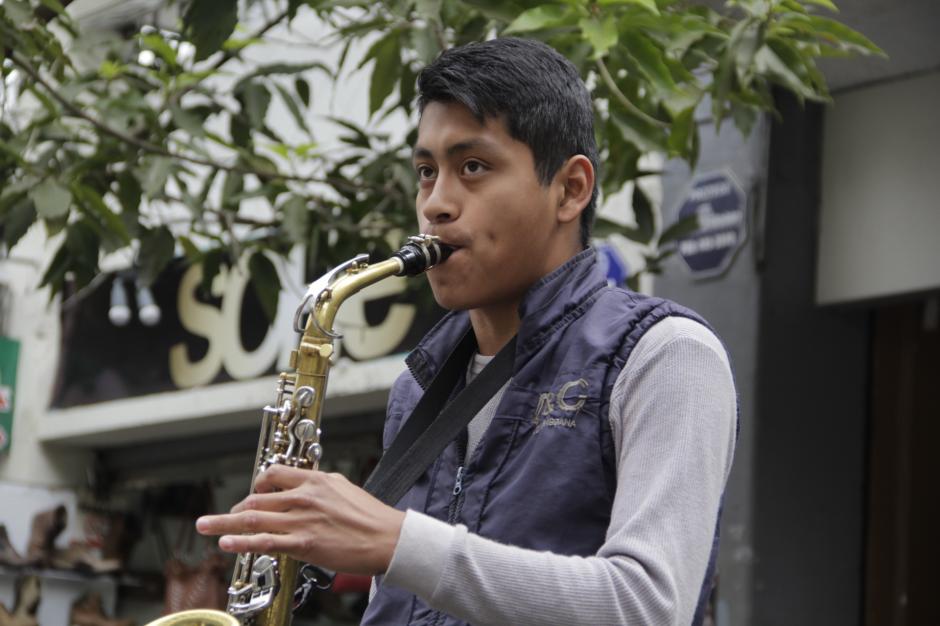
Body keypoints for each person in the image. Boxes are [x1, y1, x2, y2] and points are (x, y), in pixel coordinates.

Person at [197, 37, 737, 626]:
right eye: (426, 172)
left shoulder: (665, 355)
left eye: (472, 167)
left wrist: (397, 541)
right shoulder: (416, 390)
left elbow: (649, 607)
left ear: (570, 189)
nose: (436, 204)